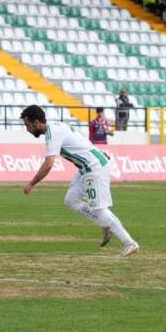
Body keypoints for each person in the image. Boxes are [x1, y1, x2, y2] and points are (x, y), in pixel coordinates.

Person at [21, 105, 138, 256]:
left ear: (36, 122)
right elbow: (80, 140)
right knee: (71, 200)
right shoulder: (57, 126)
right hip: (86, 168)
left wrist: (31, 184)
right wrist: (97, 152)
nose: (27, 129)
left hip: (93, 168)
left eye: (27, 125)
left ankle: (130, 243)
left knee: (99, 209)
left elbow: (49, 163)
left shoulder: (52, 132)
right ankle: (105, 224)